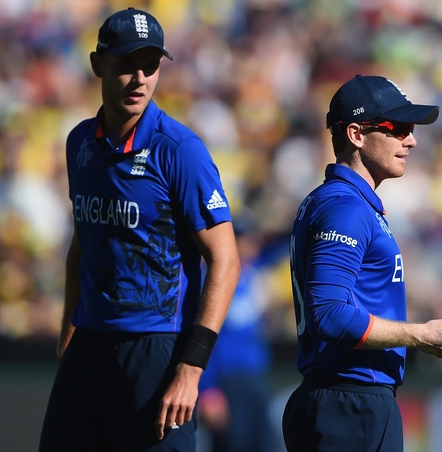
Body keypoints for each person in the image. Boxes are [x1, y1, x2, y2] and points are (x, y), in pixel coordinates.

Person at [38, 8, 240, 452]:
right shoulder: (79, 144)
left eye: (150, 67)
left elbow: (225, 259)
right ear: (97, 65)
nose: (140, 79)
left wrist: (192, 368)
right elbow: (83, 241)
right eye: (126, 65)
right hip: (89, 345)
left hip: (157, 349)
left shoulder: (179, 150)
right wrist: (69, 329)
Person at [282, 74, 442, 452]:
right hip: (348, 404)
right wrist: (419, 335)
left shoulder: (345, 203)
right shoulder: (345, 207)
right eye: (399, 128)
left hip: (354, 401)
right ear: (356, 134)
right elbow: (329, 313)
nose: (412, 139)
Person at [198, 228, 289, 452]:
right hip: (226, 378)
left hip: (255, 376)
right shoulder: (210, 279)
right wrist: (208, 390)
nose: (252, 244)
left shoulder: (254, 271)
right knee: (233, 444)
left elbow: (281, 245)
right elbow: (202, 338)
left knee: (263, 444)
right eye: (246, 239)